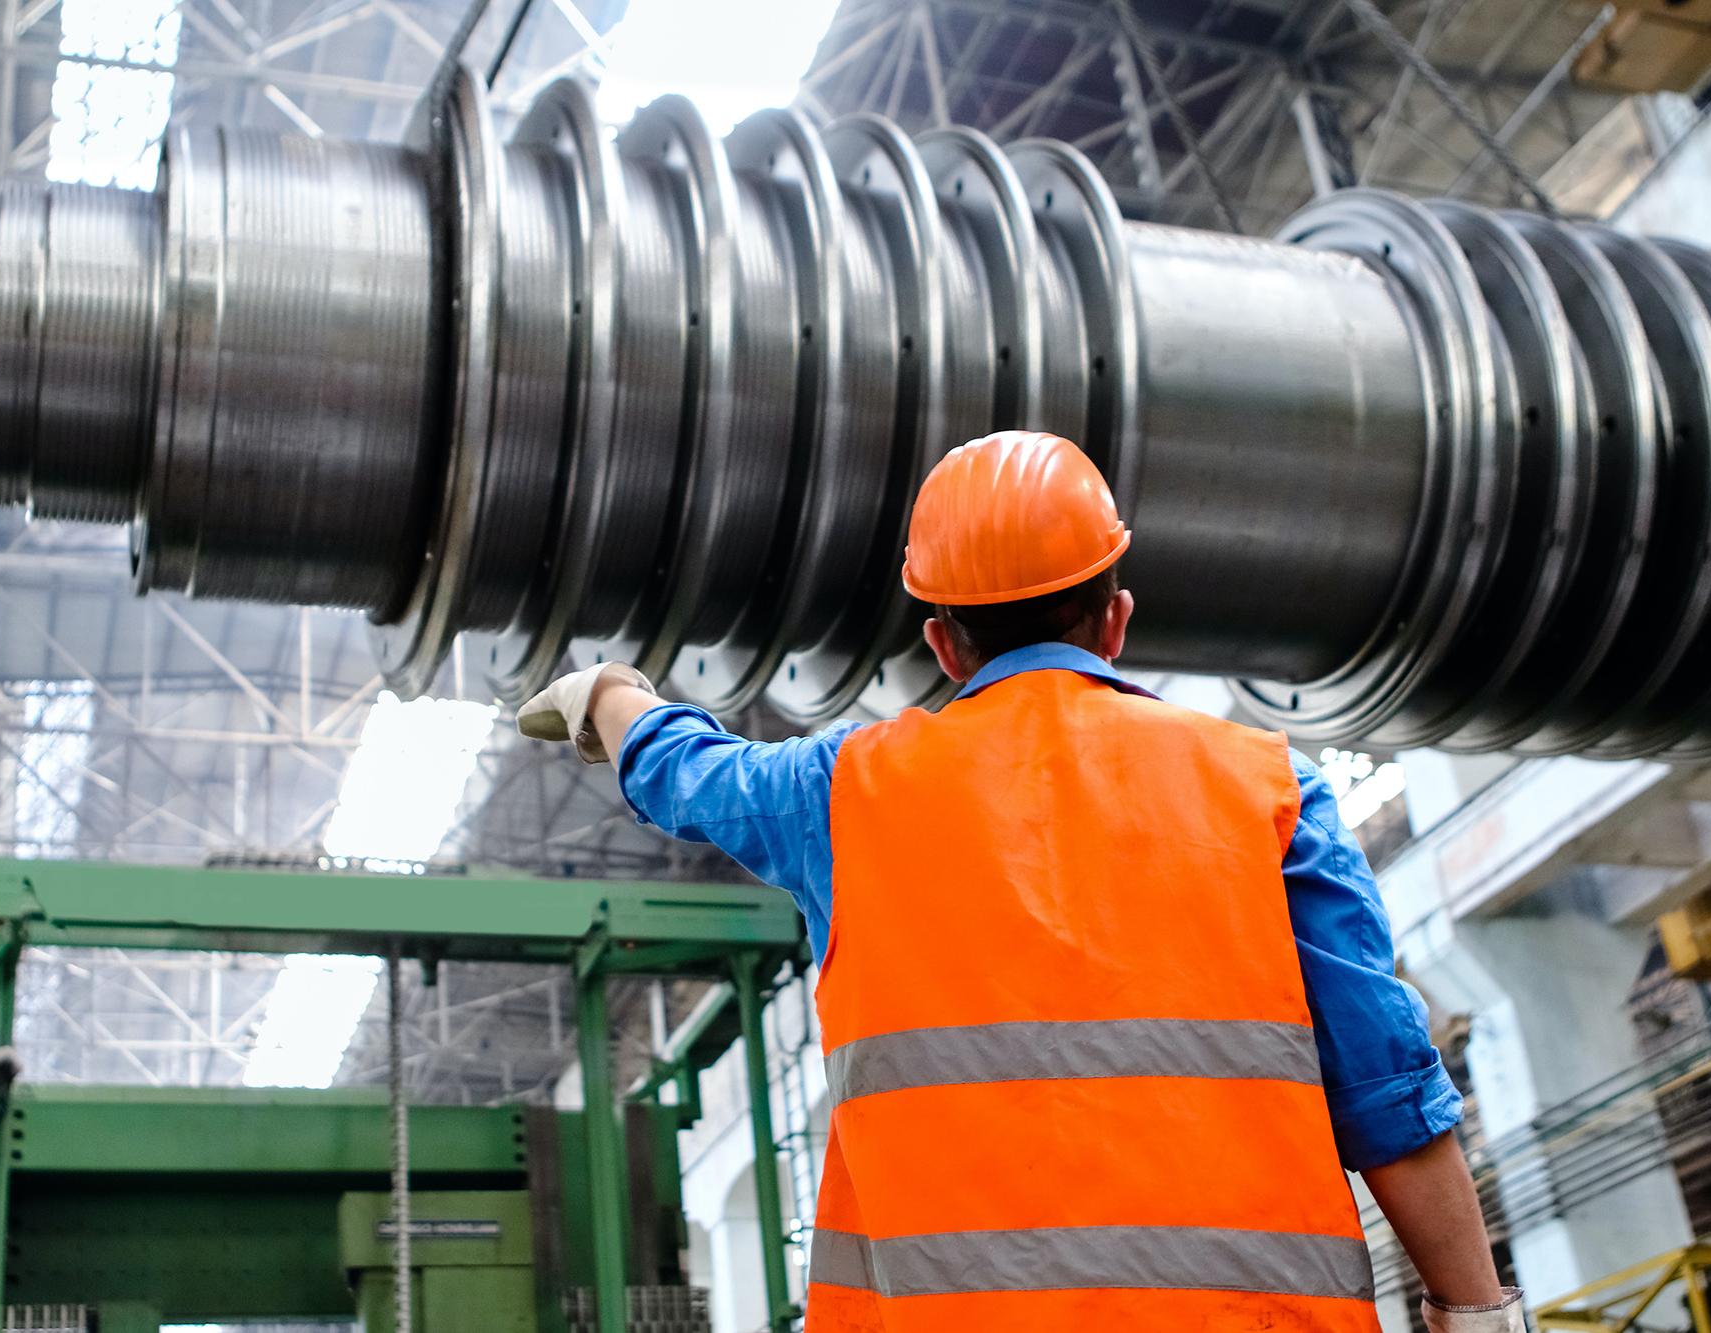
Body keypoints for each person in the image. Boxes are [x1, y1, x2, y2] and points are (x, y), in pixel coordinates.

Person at [521, 430, 1520, 1332]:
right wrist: (1472, 1315)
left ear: (942, 643)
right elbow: (1389, 1094)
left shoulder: (841, 793)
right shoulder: (1266, 787)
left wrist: (610, 695)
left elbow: (684, 774)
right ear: (1115, 618)